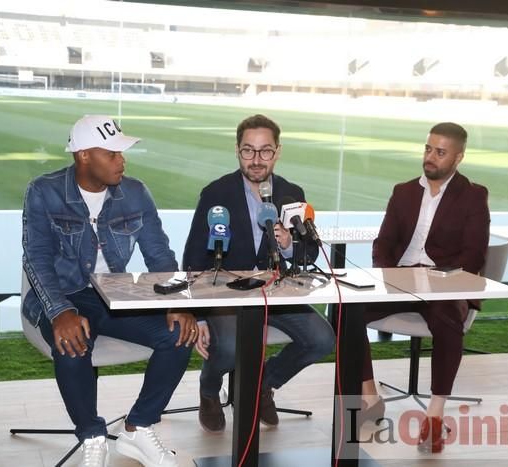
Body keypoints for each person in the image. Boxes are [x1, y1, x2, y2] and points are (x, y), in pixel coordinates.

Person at [22, 115, 197, 467]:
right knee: (71, 343)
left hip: (116, 294)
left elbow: (160, 254)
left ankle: (138, 428)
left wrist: (177, 301)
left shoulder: (135, 192)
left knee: (180, 333)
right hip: (62, 294)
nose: (122, 160)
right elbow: (36, 260)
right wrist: (60, 312)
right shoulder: (45, 190)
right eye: (112, 153)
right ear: (84, 155)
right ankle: (92, 434)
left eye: (122, 153)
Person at [182, 114, 335, 433]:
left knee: (322, 339)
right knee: (228, 348)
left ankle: (261, 385)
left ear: (277, 152)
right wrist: (197, 315)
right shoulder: (216, 193)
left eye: (265, 151)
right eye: (248, 150)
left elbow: (308, 252)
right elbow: (194, 255)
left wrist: (290, 245)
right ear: (237, 150)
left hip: (274, 292)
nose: (256, 159)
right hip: (226, 293)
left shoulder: (291, 193)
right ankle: (209, 390)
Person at [357, 122, 490, 453]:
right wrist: (390, 276)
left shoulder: (473, 196)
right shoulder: (403, 191)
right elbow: (383, 242)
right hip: (400, 282)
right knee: (345, 309)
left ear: (458, 157)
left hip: (445, 287)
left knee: (447, 321)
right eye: (428, 149)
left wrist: (434, 280)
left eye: (440, 152)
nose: (431, 157)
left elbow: (473, 255)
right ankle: (369, 395)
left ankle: (434, 415)